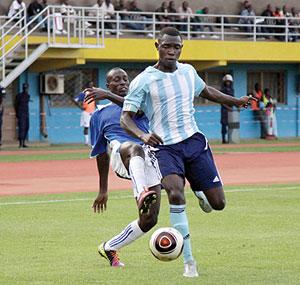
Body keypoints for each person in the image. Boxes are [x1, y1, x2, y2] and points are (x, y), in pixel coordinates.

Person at [120, 27, 255, 277]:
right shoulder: (143, 80)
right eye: (167, 46)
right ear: (157, 45)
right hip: (165, 148)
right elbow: (125, 118)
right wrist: (142, 135)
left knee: (219, 204)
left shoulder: (189, 71)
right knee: (174, 193)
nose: (171, 51)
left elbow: (207, 92)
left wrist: (234, 101)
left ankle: (200, 190)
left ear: (181, 48)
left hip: (194, 143)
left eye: (176, 47)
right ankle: (189, 261)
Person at [84, 68, 161, 267]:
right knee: (132, 147)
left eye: (125, 79)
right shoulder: (98, 115)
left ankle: (109, 247)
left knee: (149, 219)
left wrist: (107, 95)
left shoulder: (138, 104)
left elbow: (138, 110)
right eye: (116, 80)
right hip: (121, 154)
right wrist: (103, 190)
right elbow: (101, 153)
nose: (122, 83)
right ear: (108, 85)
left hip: (148, 155)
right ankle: (141, 192)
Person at [73, 81, 96, 145]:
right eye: (90, 85)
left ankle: (93, 141)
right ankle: (86, 141)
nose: (92, 86)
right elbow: (75, 100)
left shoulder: (94, 92)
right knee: (86, 127)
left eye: (92, 85)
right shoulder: (84, 93)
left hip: (93, 112)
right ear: (87, 86)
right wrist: (80, 107)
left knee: (94, 127)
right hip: (86, 112)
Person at [15, 83, 30, 148]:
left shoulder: (28, 96)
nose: (26, 89)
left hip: (26, 113)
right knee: (22, 128)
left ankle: (23, 142)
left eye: (26, 88)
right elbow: (16, 105)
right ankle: (20, 143)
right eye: (25, 88)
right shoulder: (19, 95)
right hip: (21, 113)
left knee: (27, 127)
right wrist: (17, 113)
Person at [220, 74, 234, 143]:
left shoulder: (232, 90)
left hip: (231, 110)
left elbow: (233, 99)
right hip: (224, 110)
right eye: (226, 81)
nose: (228, 83)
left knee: (230, 125)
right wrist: (228, 108)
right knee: (224, 125)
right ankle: (223, 139)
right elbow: (221, 101)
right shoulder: (222, 90)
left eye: (229, 81)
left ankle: (230, 139)